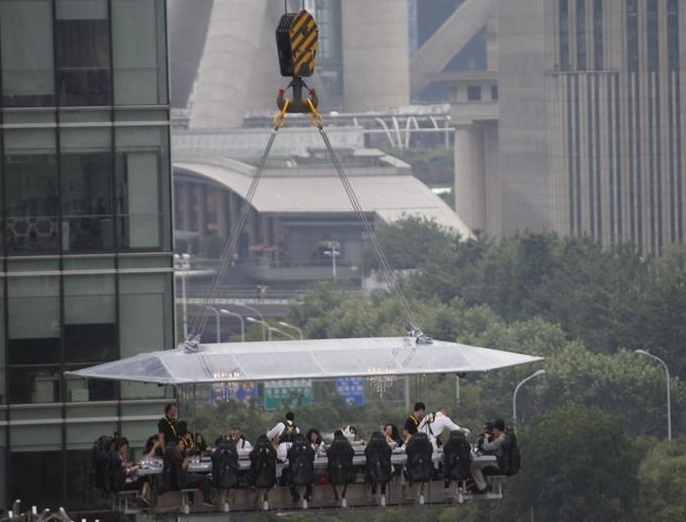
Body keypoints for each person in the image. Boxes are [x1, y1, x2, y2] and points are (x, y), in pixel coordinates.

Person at [163, 437, 214, 506]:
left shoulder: (175, 455)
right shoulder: (176, 456)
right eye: (181, 444)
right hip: (181, 482)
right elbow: (182, 468)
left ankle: (191, 500)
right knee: (204, 478)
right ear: (177, 446)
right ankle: (206, 499)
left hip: (180, 480)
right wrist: (187, 460)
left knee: (198, 477)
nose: (183, 446)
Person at [470, 418, 507, 494]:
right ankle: (481, 486)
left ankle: (482, 487)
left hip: (498, 465)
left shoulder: (501, 439)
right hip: (498, 462)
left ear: (496, 429)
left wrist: (486, 438)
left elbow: (486, 447)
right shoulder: (503, 438)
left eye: (493, 430)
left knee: (473, 466)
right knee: (478, 465)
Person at [112, 437, 151, 505]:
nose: (125, 450)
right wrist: (137, 466)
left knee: (142, 478)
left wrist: (132, 464)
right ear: (119, 448)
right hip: (122, 485)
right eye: (124, 448)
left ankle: (141, 498)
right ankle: (143, 497)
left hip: (121, 483)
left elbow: (125, 466)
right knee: (145, 478)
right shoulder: (117, 458)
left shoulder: (117, 456)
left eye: (126, 448)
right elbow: (127, 471)